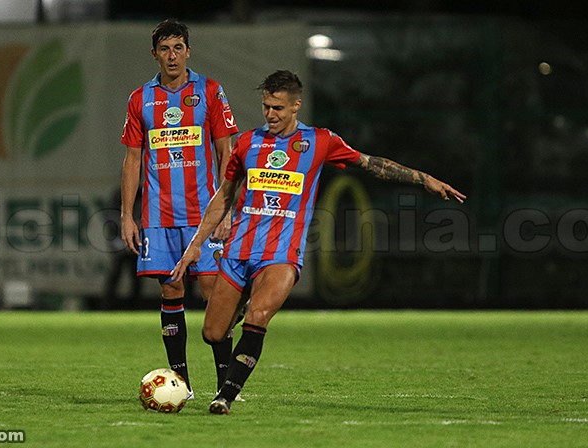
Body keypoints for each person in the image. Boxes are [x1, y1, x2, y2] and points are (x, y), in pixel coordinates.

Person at [171, 70, 467, 414]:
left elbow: (371, 164)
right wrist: (195, 245)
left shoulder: (320, 141)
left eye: (278, 108)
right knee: (212, 333)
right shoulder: (247, 143)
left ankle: (225, 397)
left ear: (296, 105)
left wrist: (423, 178)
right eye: (266, 107)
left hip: (281, 254)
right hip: (238, 250)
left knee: (259, 314)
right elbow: (224, 195)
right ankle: (237, 312)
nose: (270, 114)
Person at [119, 19, 239, 399]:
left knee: (212, 290)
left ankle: (226, 383)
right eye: (165, 49)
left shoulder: (210, 91)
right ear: (154, 54)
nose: (172, 56)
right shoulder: (140, 99)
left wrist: (227, 209)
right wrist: (126, 215)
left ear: (188, 51)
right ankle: (180, 383)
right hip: (159, 216)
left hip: (205, 213)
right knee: (171, 289)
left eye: (178, 48)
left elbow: (226, 151)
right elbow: (132, 161)